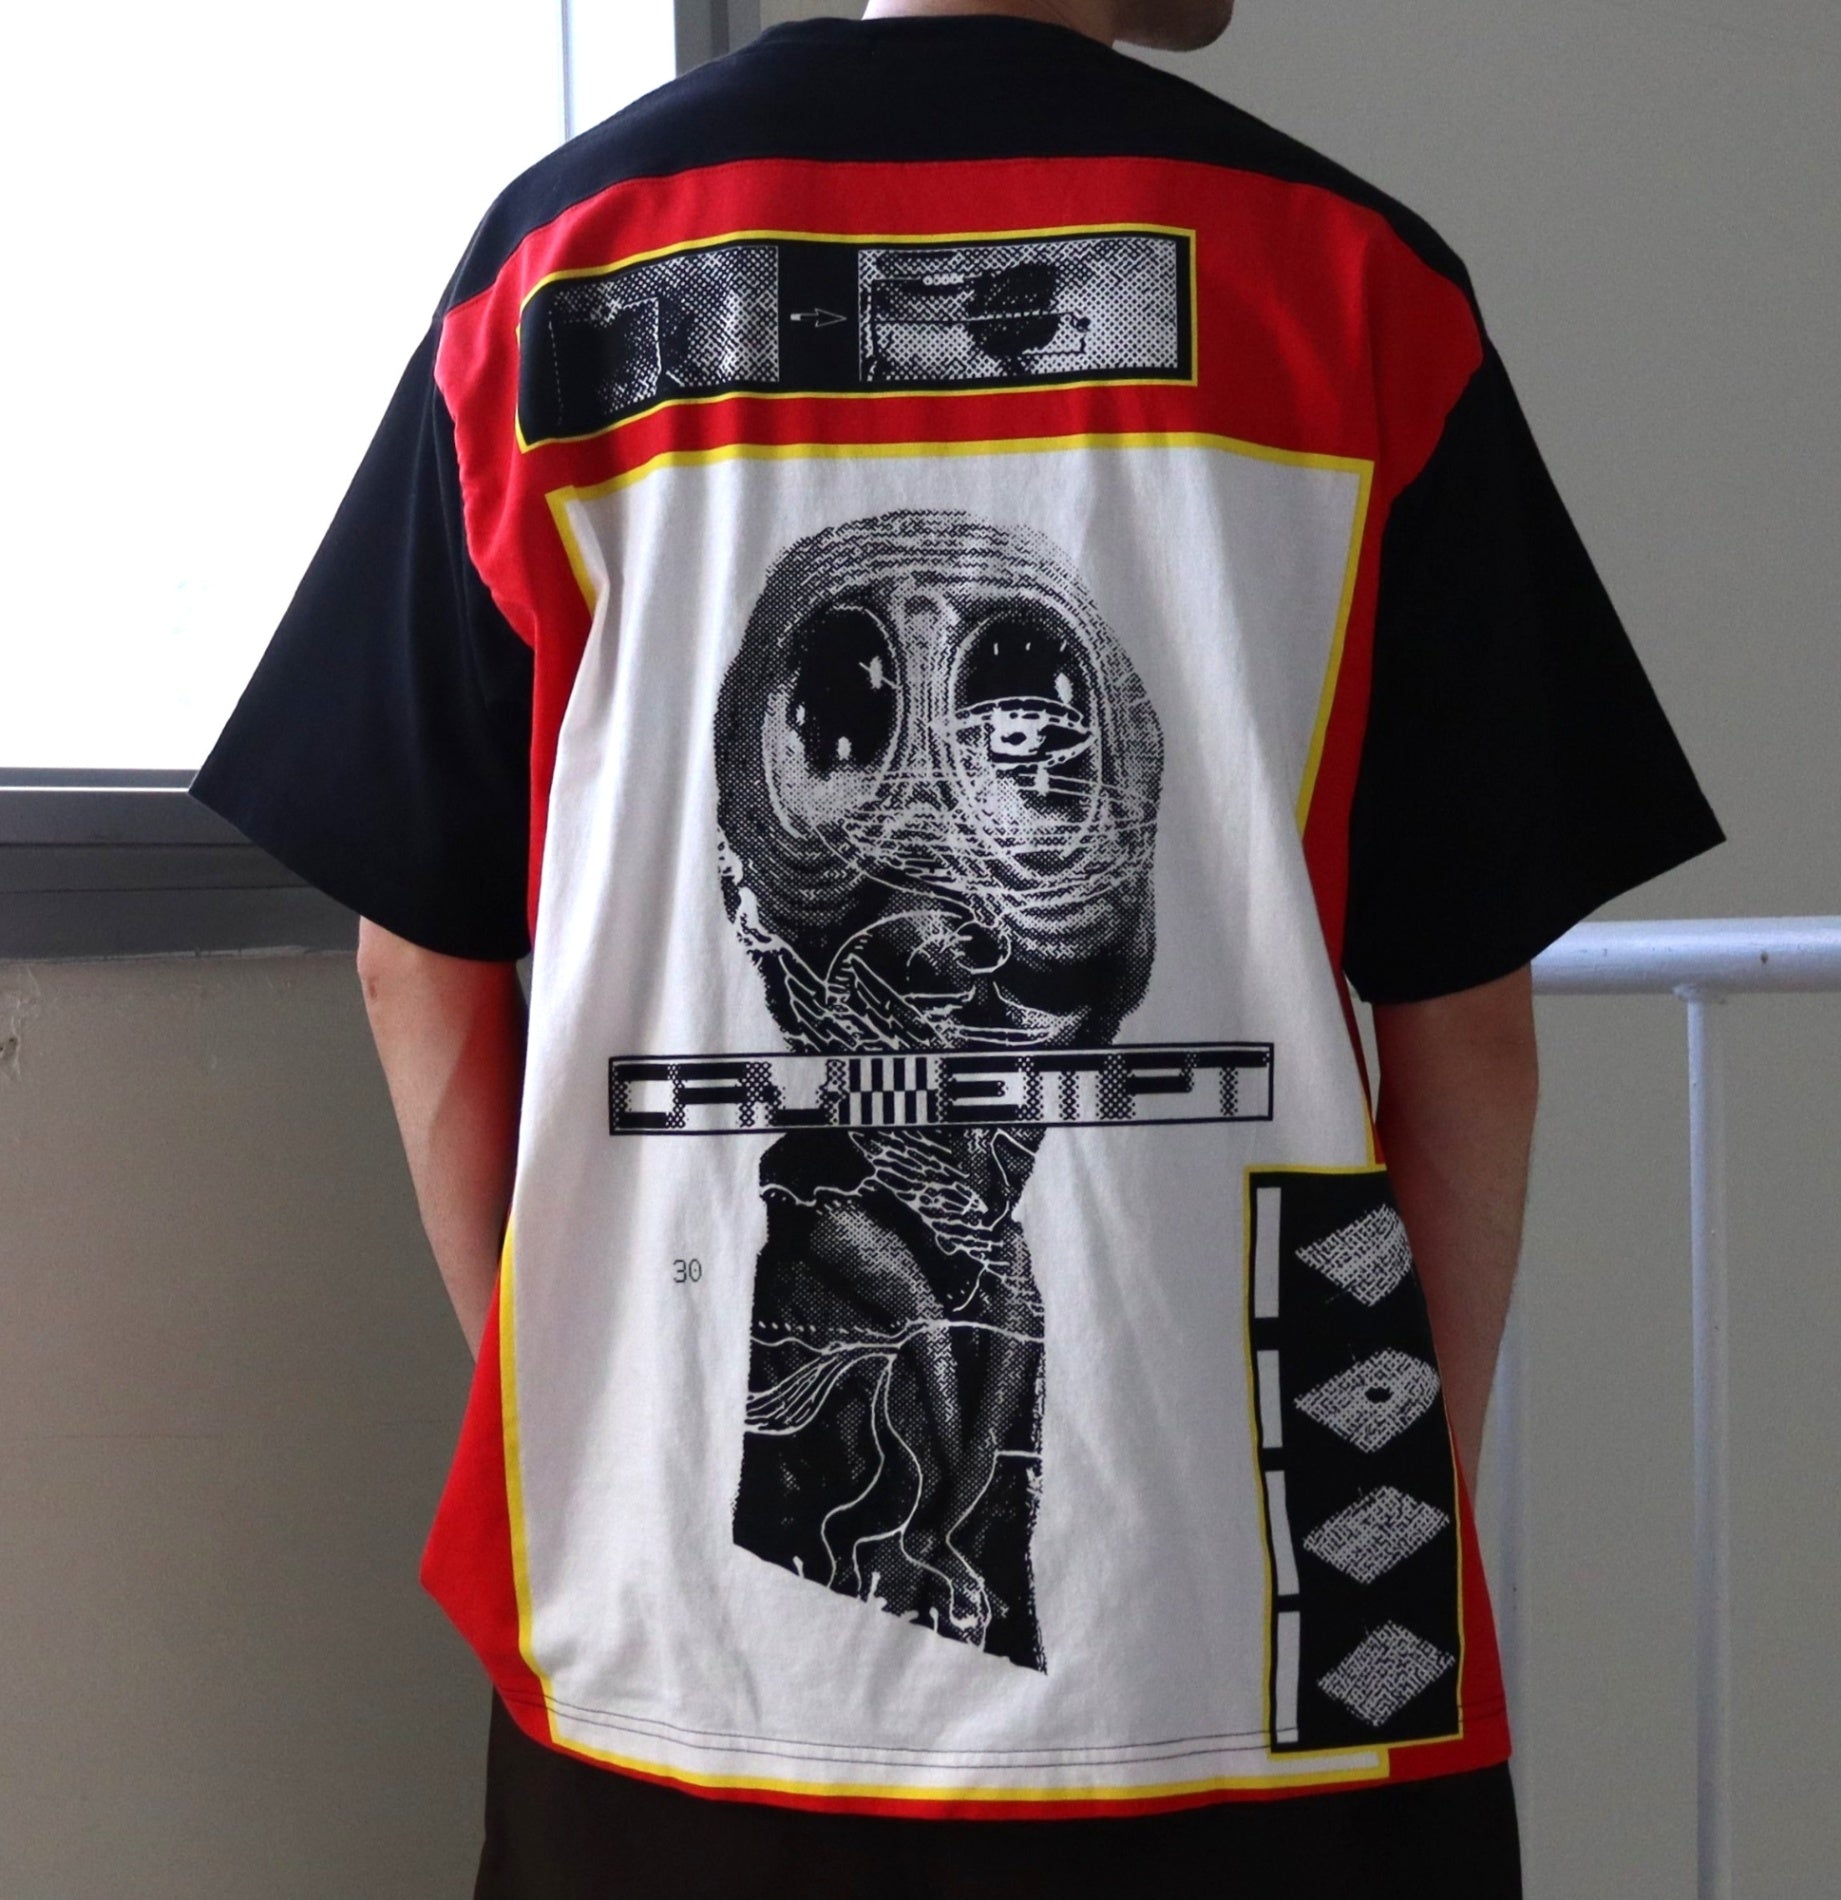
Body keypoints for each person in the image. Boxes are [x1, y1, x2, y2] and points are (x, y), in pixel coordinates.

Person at [192, 2, 1722, 1893]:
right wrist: (1378, 1491)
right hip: (1260, 1651)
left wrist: (585, 1409)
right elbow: (1464, 1027)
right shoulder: (1346, 284)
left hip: (666, 1650)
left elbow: (412, 962)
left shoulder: (556, 273)